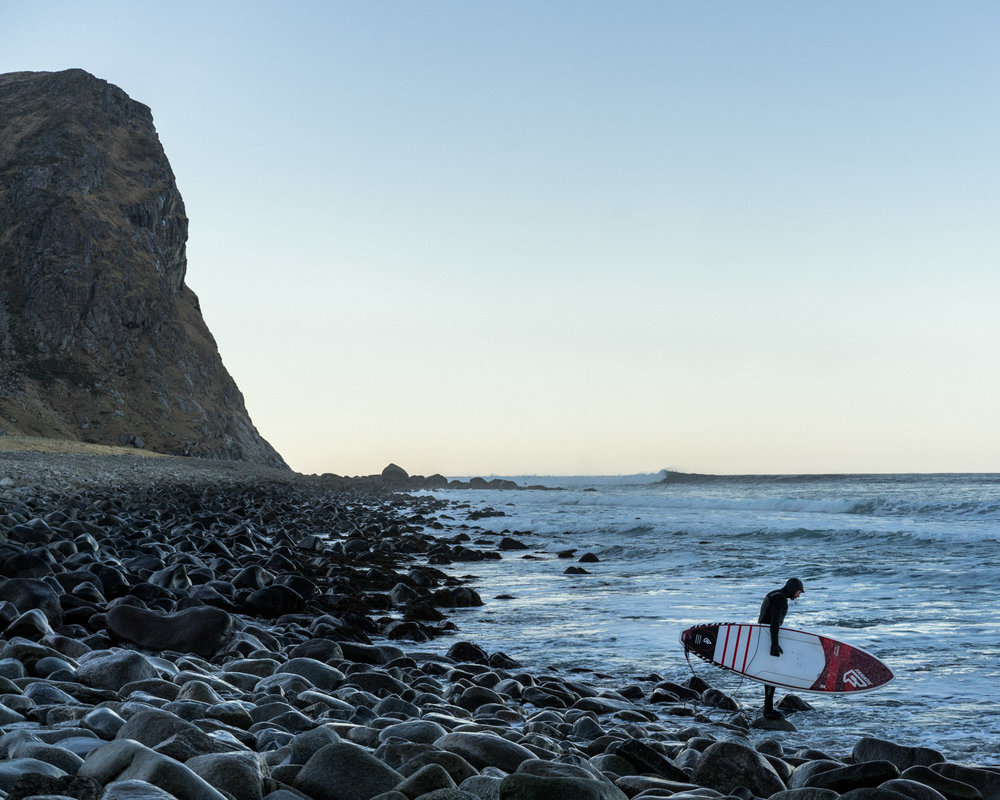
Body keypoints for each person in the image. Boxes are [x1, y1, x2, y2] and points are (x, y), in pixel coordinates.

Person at [758, 577, 804, 718]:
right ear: (792, 589)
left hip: (762, 636)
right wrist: (774, 643)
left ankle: (768, 707)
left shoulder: (775, 594)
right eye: (798, 592)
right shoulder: (780, 598)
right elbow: (774, 622)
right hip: (768, 637)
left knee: (770, 672)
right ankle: (768, 710)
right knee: (771, 672)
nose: (799, 595)